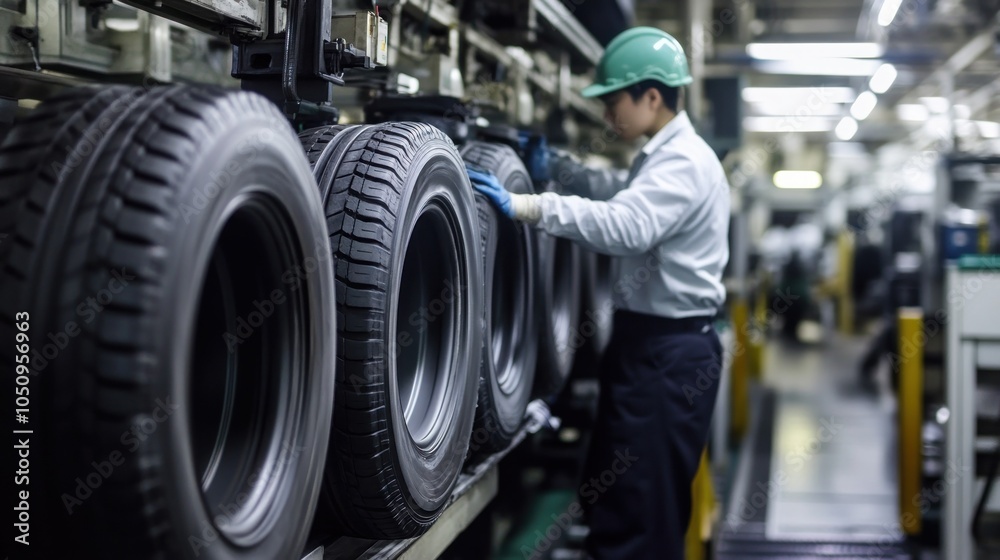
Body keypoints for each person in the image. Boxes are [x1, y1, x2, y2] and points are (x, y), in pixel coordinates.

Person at [469, 27, 730, 560]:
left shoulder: (684, 162)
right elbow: (621, 194)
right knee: (616, 494)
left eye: (615, 101)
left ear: (651, 97)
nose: (609, 115)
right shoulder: (665, 154)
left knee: (641, 511)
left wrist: (530, 206)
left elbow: (629, 224)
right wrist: (562, 171)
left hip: (668, 357)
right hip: (646, 348)